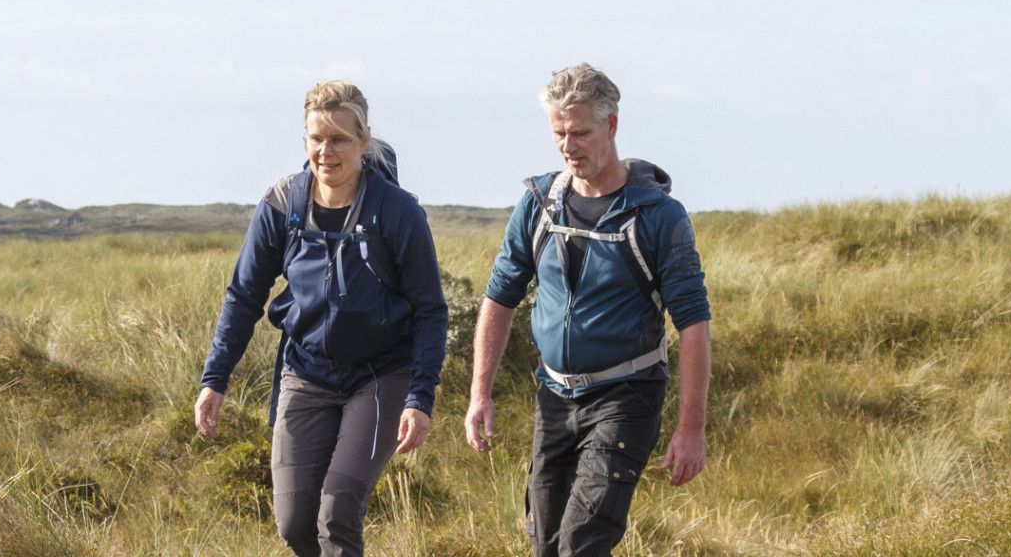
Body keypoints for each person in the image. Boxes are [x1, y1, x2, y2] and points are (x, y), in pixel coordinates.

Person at [463, 63, 712, 556]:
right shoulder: (538, 205)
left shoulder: (659, 217)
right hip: (553, 397)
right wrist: (479, 394)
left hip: (627, 397)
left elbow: (694, 325)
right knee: (546, 546)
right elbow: (499, 297)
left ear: (612, 125)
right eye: (558, 133)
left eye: (579, 132)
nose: (568, 146)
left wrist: (692, 429)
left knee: (581, 544)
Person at [195, 81, 449, 556]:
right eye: (316, 138)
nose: (325, 151)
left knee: (337, 513)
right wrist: (216, 378)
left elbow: (431, 310)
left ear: (364, 141)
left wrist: (420, 395)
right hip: (305, 374)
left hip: (379, 376)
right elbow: (244, 295)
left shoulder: (397, 212)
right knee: (294, 524)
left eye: (339, 139)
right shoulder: (281, 205)